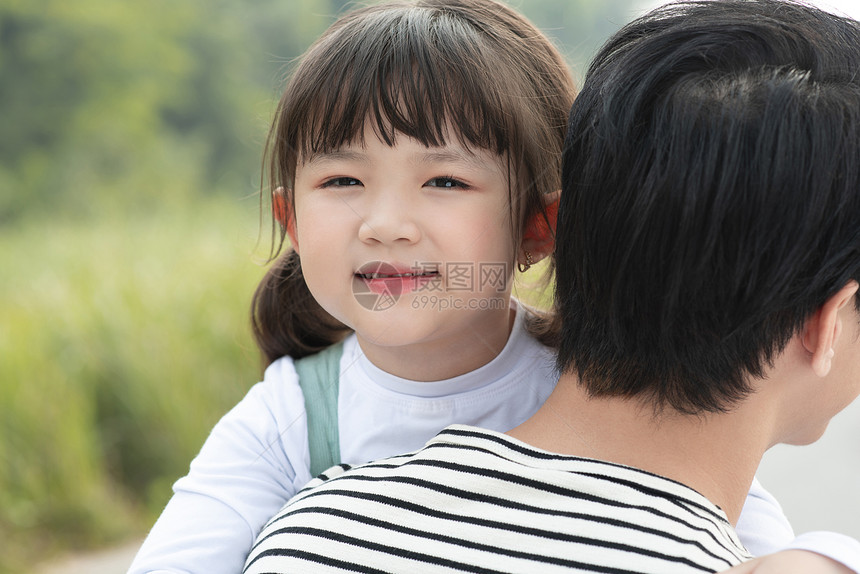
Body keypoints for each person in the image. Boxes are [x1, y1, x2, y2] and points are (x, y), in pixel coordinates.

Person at [240, 1, 860, 573]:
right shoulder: (287, 420)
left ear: (547, 228)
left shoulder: (307, 531)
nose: (387, 227)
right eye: (343, 180)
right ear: (827, 321)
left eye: (447, 182)